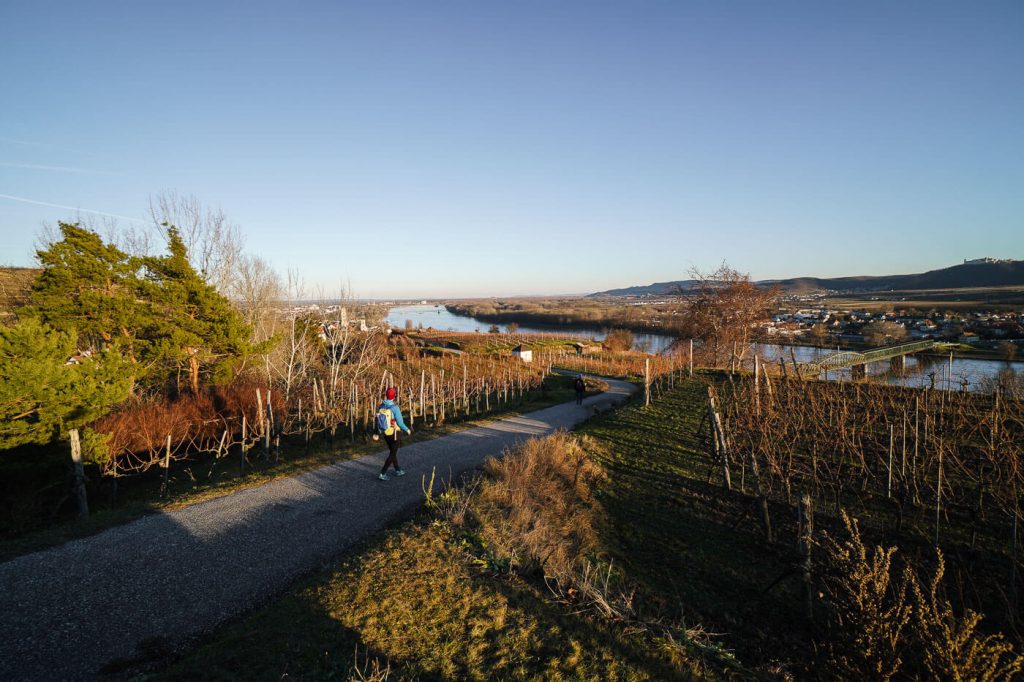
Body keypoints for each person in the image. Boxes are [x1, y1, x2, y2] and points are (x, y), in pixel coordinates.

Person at [375, 387, 411, 481]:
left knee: (392, 452)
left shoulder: (381, 406)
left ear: (386, 395)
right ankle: (382, 473)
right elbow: (400, 422)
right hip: (395, 433)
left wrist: (376, 433)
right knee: (392, 453)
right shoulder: (395, 407)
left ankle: (398, 470)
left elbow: (378, 420)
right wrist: (407, 430)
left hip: (385, 432)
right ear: (394, 396)